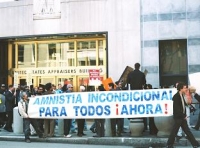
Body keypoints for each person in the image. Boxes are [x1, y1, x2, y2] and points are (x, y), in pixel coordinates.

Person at [166, 82, 199, 148]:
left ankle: (195, 144)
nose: (186, 89)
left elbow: (184, 106)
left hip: (181, 117)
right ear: (180, 89)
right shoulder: (176, 96)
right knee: (175, 131)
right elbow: (177, 108)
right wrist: (184, 116)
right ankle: (169, 145)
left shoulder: (182, 95)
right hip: (178, 117)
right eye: (185, 88)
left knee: (187, 131)